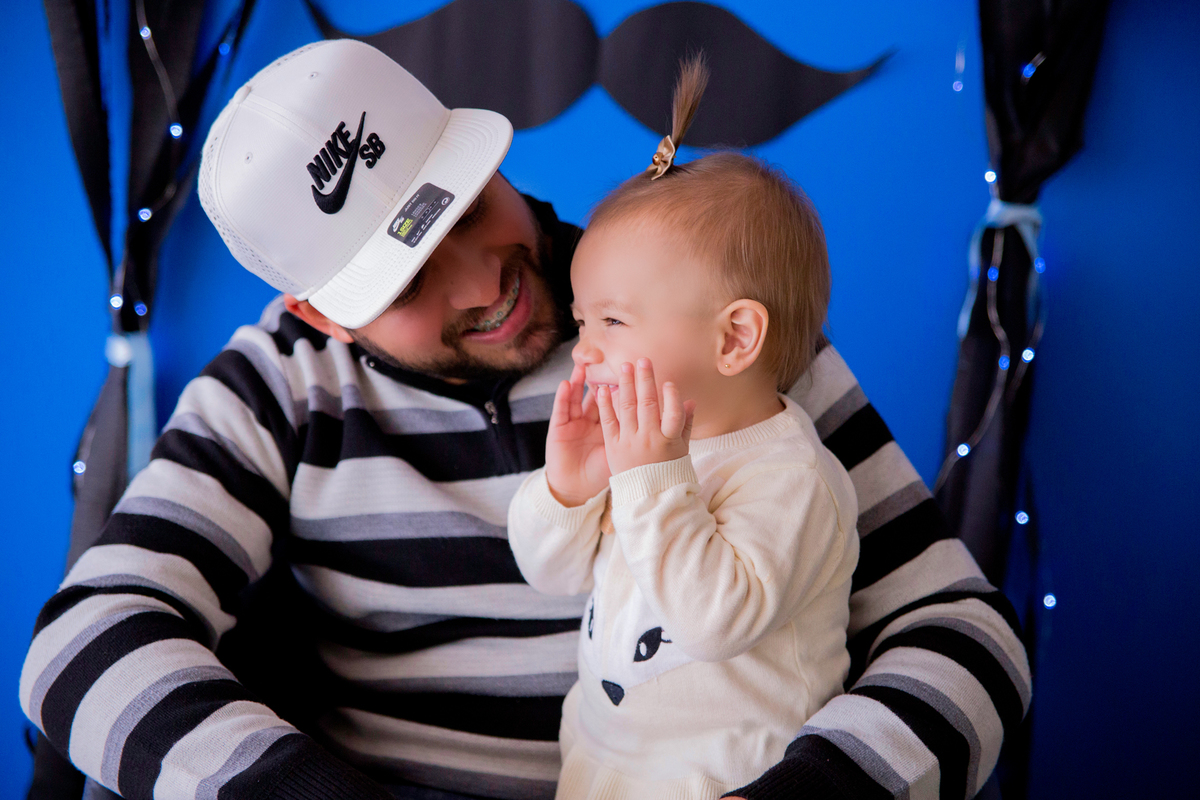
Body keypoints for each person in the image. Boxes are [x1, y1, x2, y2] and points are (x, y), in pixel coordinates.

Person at [20, 39, 1029, 800]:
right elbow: (82, 647)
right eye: (408, 279)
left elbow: (965, 633)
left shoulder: (688, 310)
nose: (484, 286)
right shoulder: (286, 382)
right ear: (321, 314)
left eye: (464, 208)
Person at [507, 60, 861, 799]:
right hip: (600, 767)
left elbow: (714, 622)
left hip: (725, 775)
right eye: (581, 321)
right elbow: (552, 577)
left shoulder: (791, 477)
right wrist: (567, 490)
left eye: (612, 321)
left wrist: (650, 479)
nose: (583, 351)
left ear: (734, 339)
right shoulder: (643, 444)